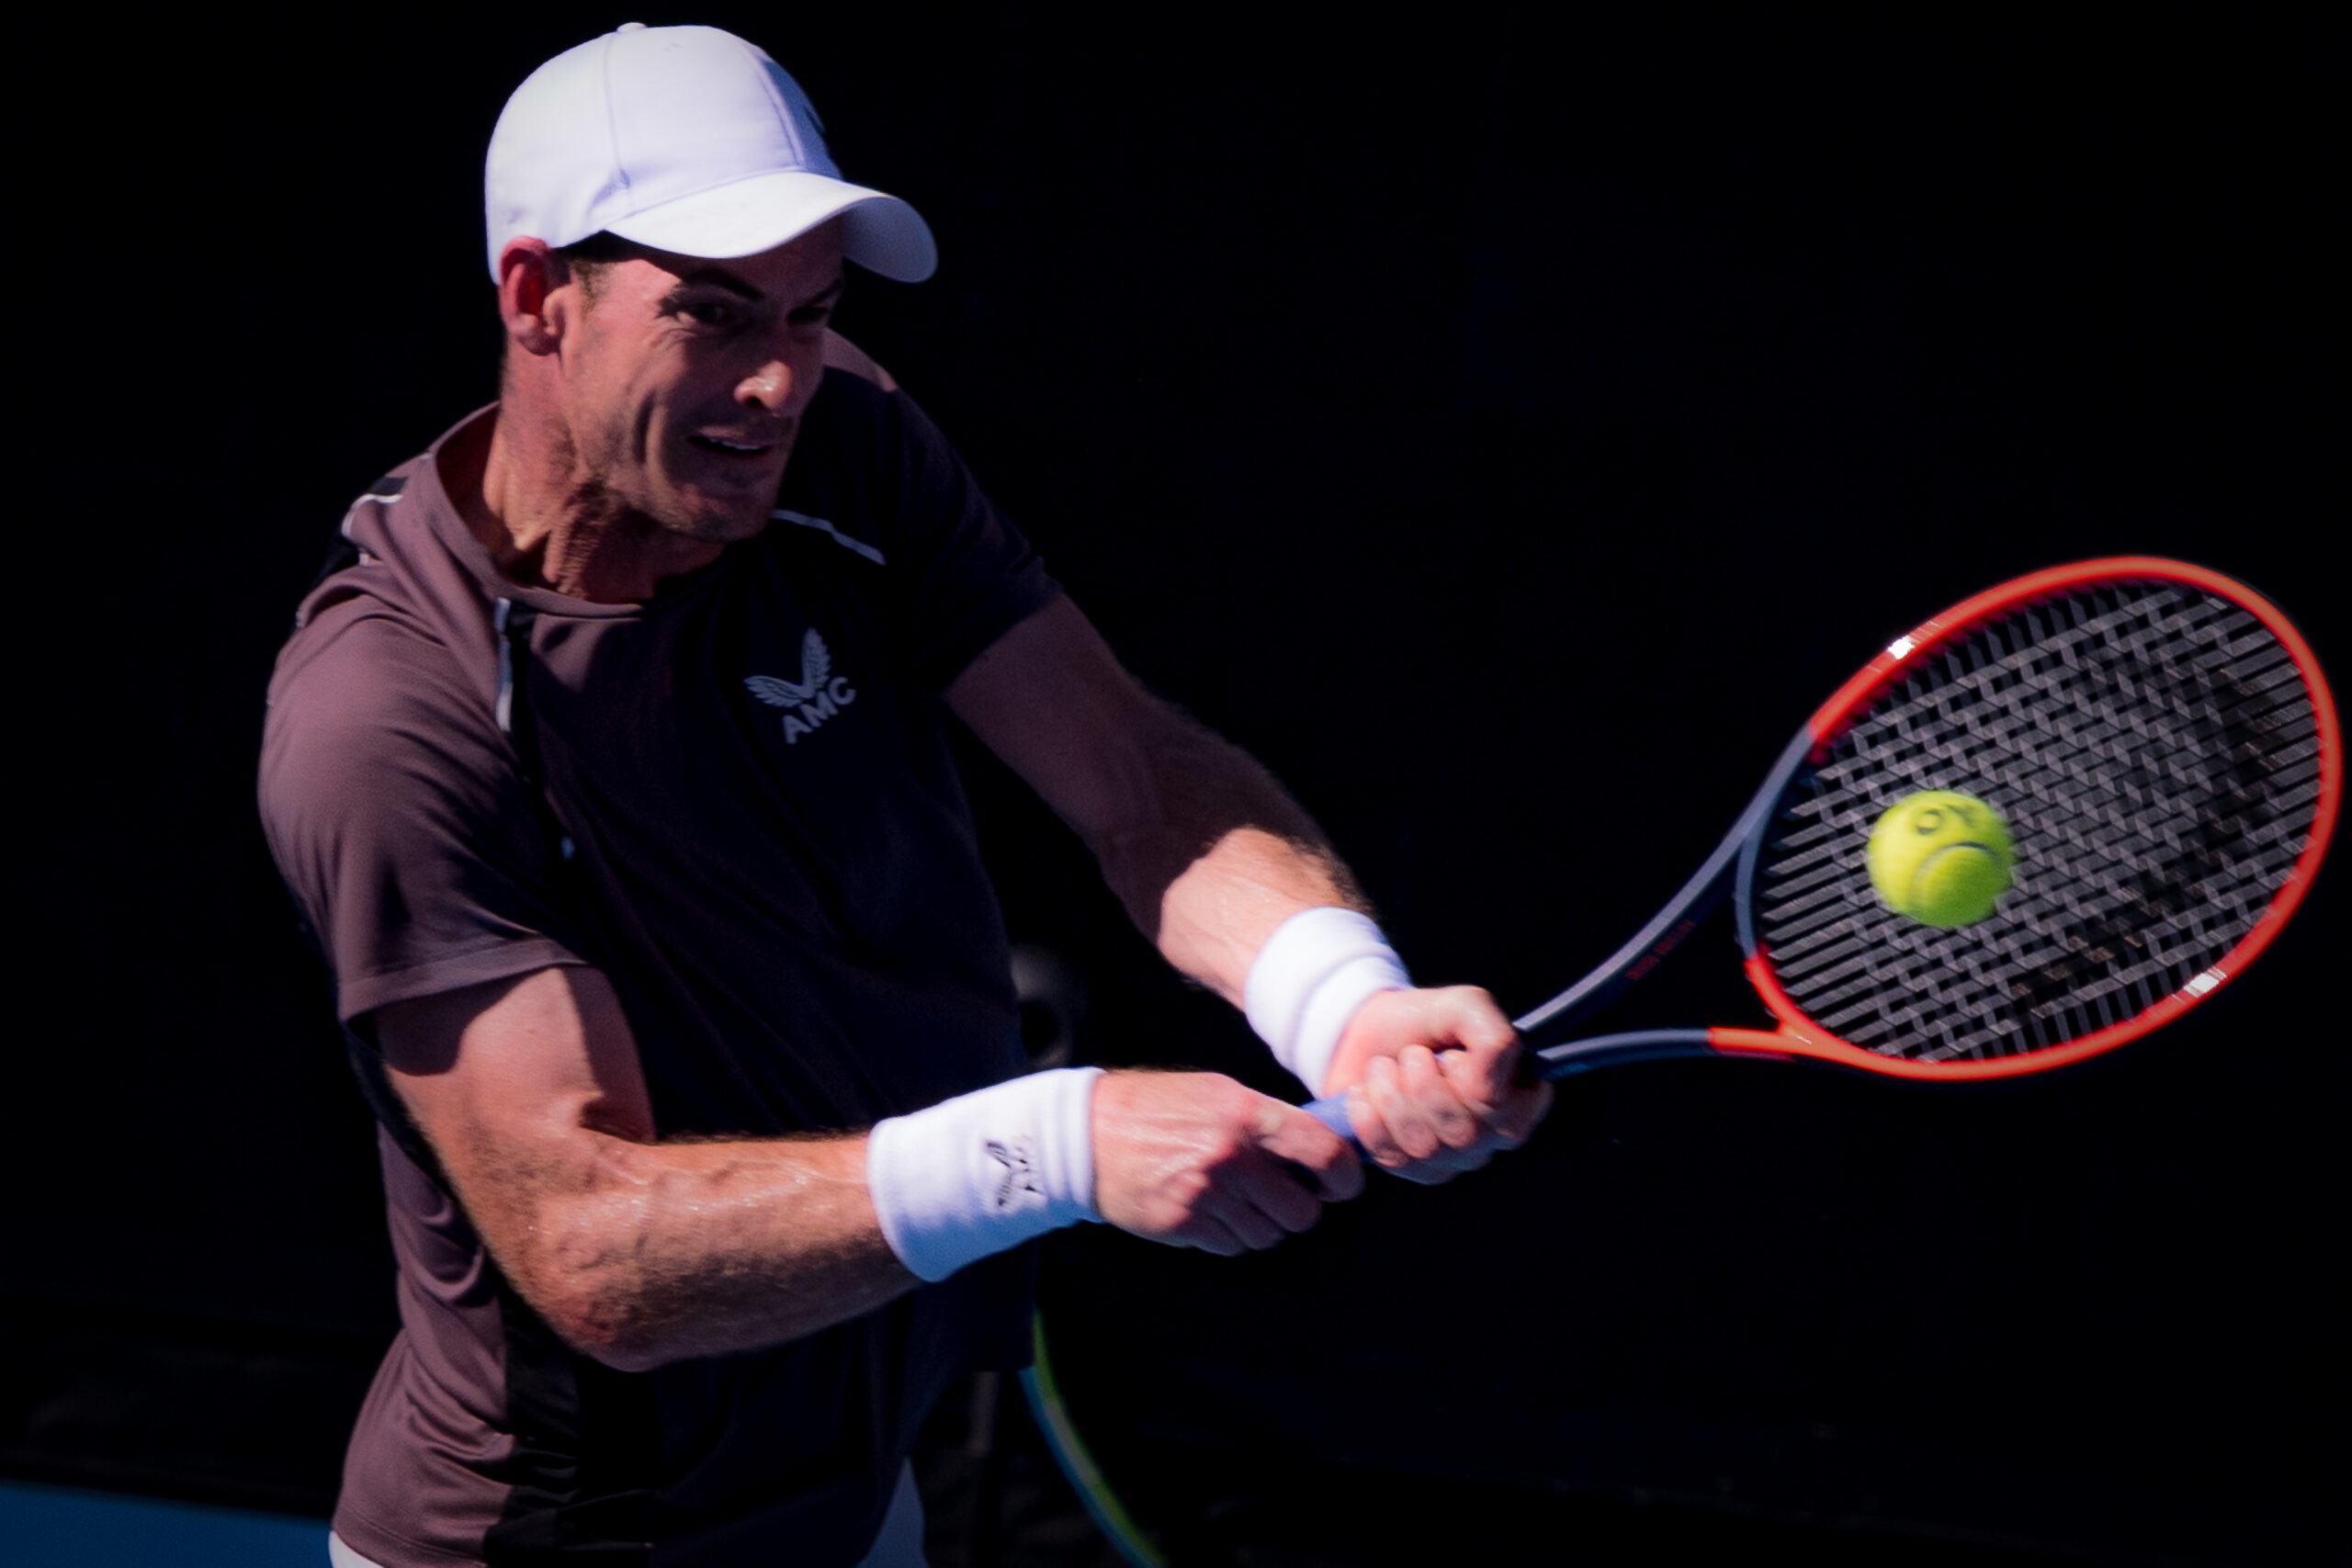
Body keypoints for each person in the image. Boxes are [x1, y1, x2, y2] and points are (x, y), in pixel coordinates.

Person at [259, 23, 1548, 1567]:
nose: (775, 380)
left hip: (854, 1492)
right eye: (712, 313)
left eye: (810, 312)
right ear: (539, 298)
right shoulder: (389, 714)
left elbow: (1135, 776)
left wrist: (1342, 1001)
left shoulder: (838, 451)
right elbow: (586, 1244)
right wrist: (1057, 1146)